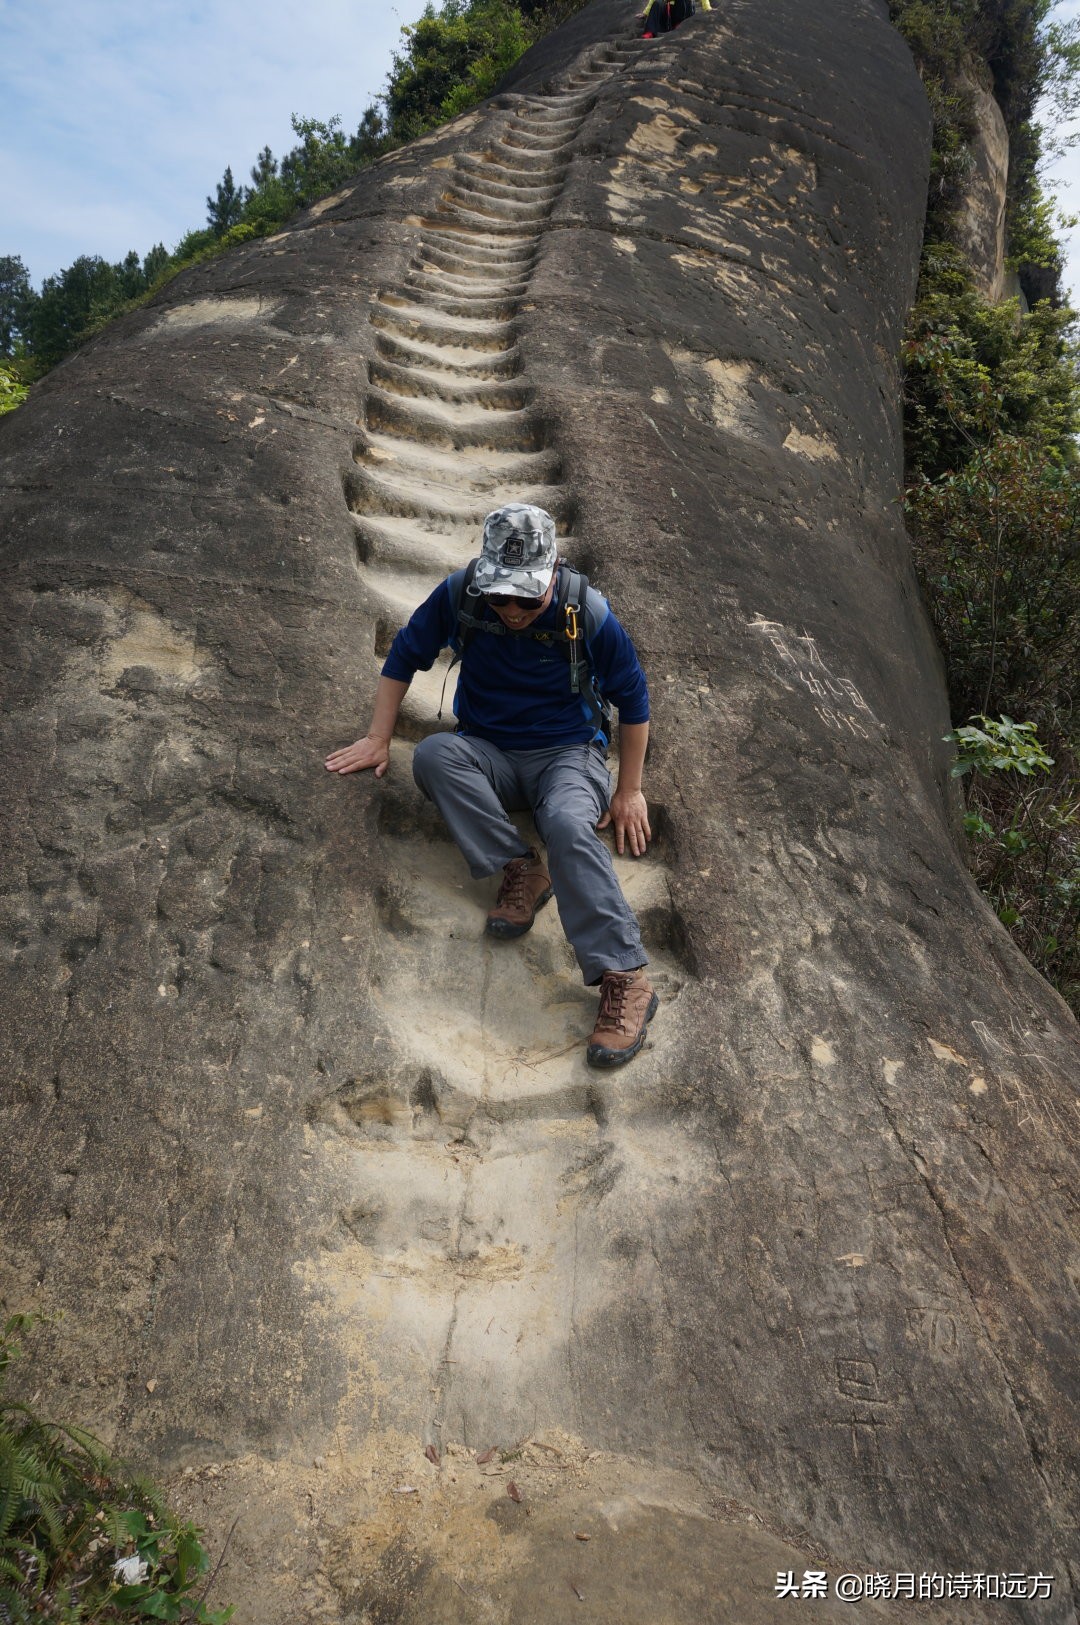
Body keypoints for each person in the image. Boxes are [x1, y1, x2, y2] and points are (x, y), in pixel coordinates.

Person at [325, 504, 658, 1067]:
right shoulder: (460, 595)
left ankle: (625, 977)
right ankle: (519, 869)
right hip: (488, 750)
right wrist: (379, 737)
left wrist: (628, 790)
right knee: (433, 755)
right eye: (500, 596)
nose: (511, 610)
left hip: (568, 755)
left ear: (552, 577)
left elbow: (634, 699)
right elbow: (404, 657)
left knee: (567, 824)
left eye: (526, 598)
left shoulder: (587, 610)